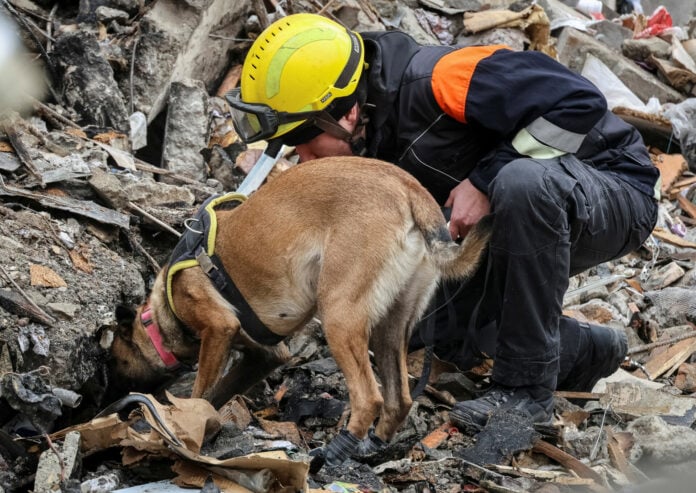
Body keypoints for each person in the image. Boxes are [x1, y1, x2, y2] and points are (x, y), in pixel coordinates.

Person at [227, 13, 659, 434]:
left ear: (346, 114)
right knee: (421, 323)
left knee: (523, 182)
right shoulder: (369, 126)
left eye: (302, 142)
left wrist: (485, 181)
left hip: (612, 188)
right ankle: (585, 350)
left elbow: (579, 103)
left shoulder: (441, 78)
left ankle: (525, 395)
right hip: (508, 224)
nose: (302, 159)